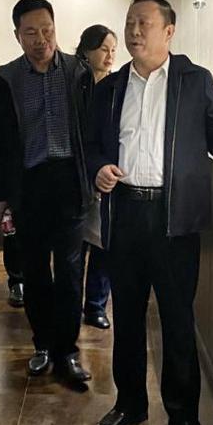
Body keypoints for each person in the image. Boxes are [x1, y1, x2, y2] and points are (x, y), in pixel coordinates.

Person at [86, 0, 213, 425]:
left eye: (144, 23)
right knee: (126, 314)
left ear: (169, 31)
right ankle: (130, 404)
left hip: (174, 219)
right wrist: (99, 168)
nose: (134, 31)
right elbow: (92, 144)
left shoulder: (193, 80)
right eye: (129, 23)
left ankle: (182, 415)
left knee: (178, 318)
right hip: (125, 213)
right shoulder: (111, 88)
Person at [0, 0, 94, 386]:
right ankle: (42, 344)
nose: (41, 39)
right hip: (28, 185)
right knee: (34, 270)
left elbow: (92, 130)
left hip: (69, 183)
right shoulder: (6, 79)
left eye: (47, 29)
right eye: (30, 32)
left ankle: (68, 351)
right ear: (17, 35)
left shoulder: (78, 72)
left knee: (69, 271)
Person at [75, 24, 118, 330]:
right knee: (75, 247)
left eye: (113, 50)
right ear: (87, 50)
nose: (109, 55)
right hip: (76, 174)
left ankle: (96, 305)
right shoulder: (75, 84)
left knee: (104, 243)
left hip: (106, 174)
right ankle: (70, 303)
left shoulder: (117, 86)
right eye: (104, 49)